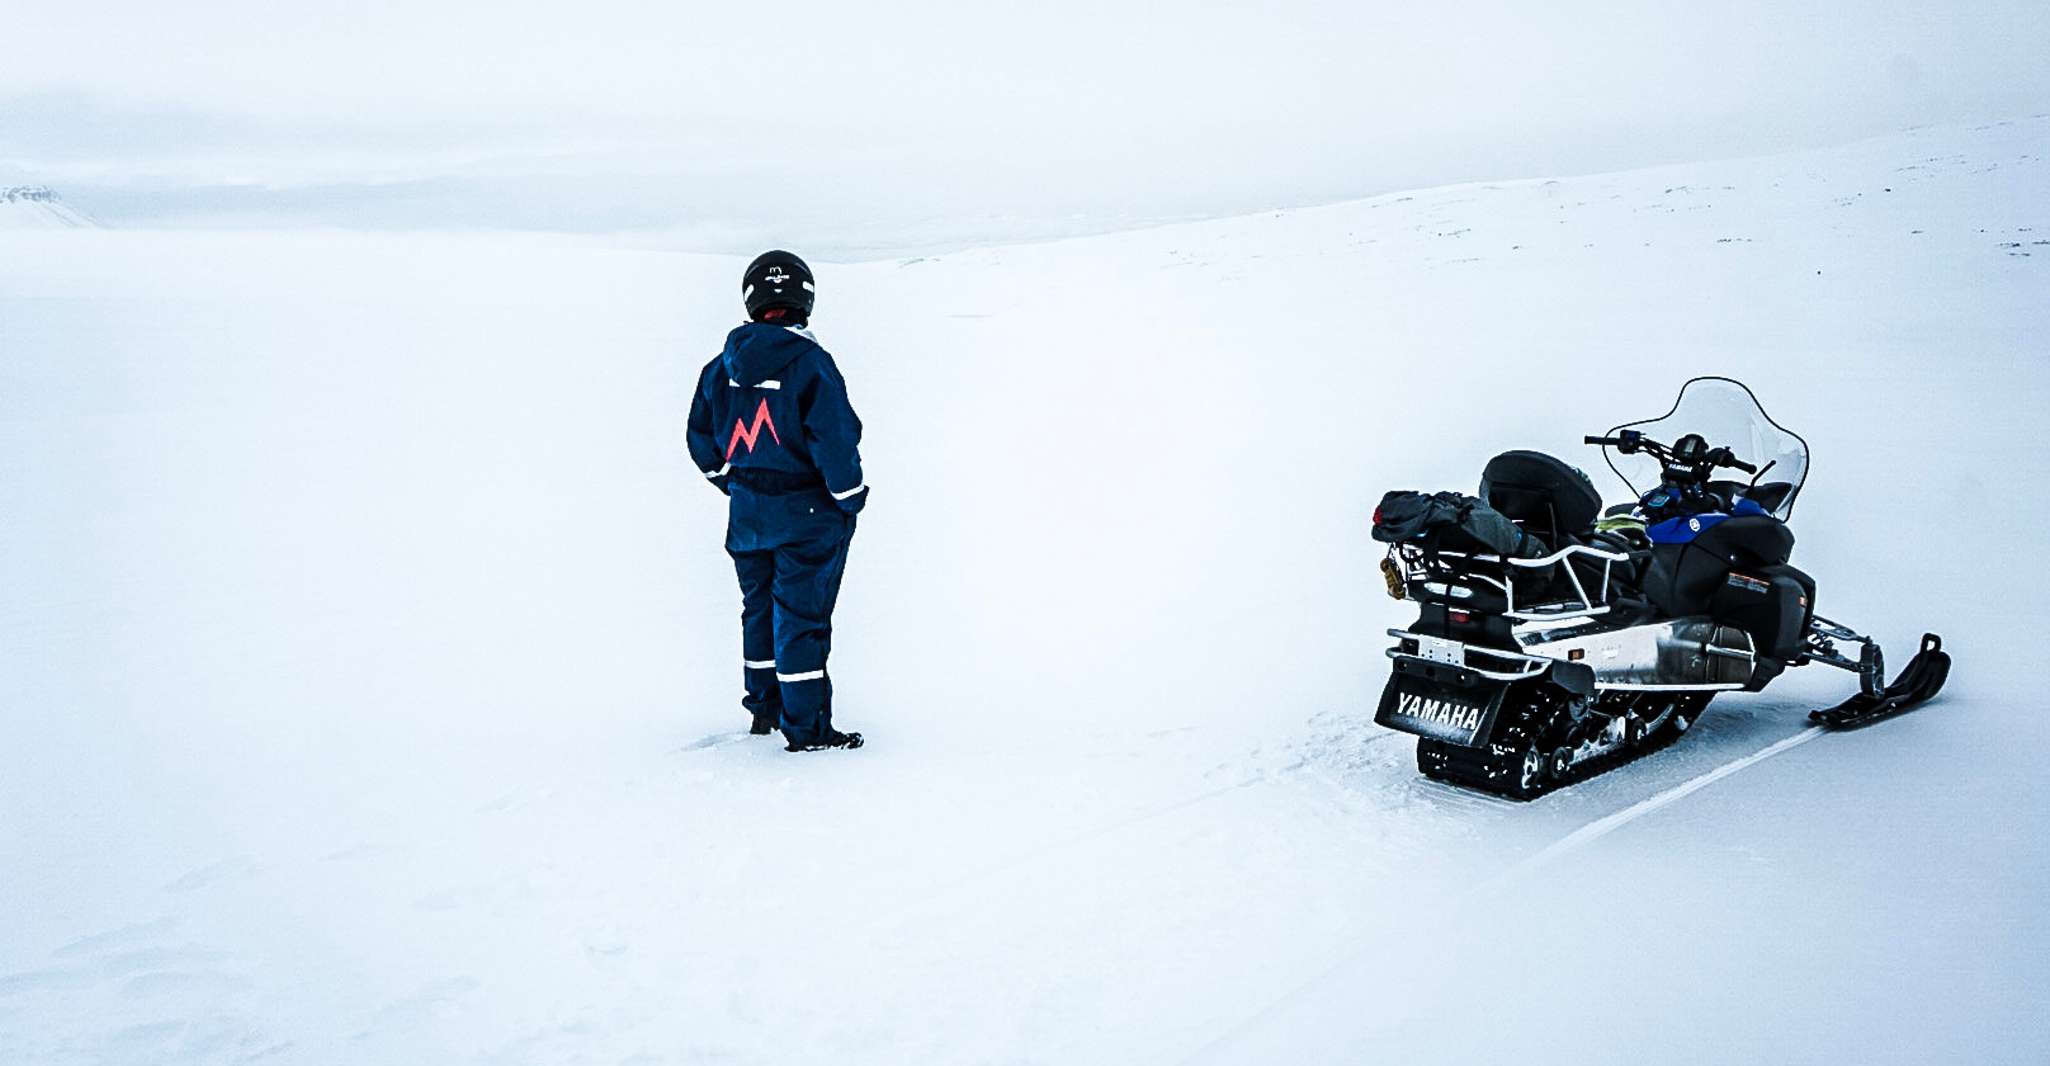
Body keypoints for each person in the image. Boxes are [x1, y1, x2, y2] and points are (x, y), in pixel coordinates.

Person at [686, 250, 867, 752]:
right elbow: (835, 438)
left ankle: (764, 708)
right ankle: (807, 729)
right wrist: (848, 498)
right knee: (800, 616)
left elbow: (701, 439)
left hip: (748, 515)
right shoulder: (812, 364)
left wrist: (734, 484)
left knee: (758, 610)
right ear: (805, 299)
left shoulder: (719, 367)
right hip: (808, 515)